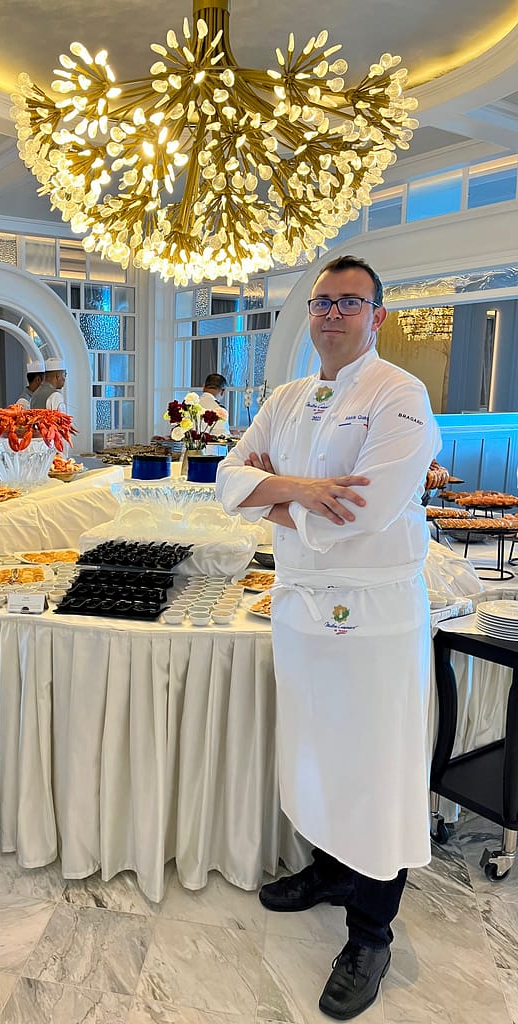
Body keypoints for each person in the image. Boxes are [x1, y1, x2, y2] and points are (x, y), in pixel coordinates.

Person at [216, 254, 440, 1021]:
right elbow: (225, 480)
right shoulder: (286, 395)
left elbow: (366, 515)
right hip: (302, 606)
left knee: (374, 767)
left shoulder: (399, 395)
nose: (333, 314)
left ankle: (370, 932)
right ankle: (329, 869)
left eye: (350, 303)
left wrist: (270, 495)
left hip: (372, 615)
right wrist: (306, 491)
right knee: (315, 750)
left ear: (377, 316)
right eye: (322, 302)